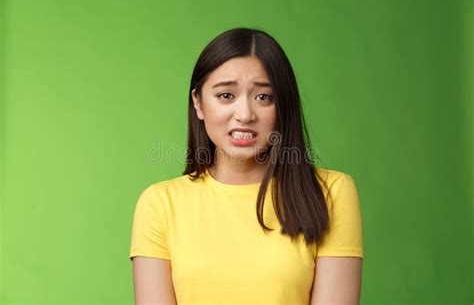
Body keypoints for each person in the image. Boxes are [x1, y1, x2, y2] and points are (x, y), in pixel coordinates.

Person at [129, 27, 364, 305]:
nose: (244, 115)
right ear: (199, 103)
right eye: (226, 95)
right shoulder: (160, 204)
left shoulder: (330, 193)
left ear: (283, 106)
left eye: (263, 97)